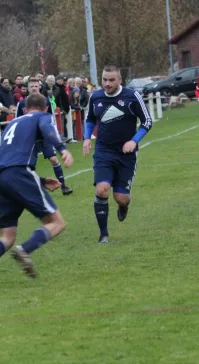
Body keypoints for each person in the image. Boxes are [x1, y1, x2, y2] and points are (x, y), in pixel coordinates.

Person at [0, 94, 74, 291]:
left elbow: (9, 157)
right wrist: (62, 148)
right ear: (44, 109)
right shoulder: (42, 117)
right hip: (19, 172)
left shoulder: (13, 122)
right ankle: (25, 250)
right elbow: (48, 130)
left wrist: (39, 181)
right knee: (57, 222)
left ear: (24, 109)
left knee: (7, 235)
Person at [83, 64, 153, 244]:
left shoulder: (132, 97)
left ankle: (124, 205)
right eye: (104, 79)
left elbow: (146, 121)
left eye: (111, 80)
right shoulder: (96, 97)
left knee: (120, 198)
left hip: (126, 155)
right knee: (102, 189)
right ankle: (103, 235)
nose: (107, 83)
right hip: (104, 151)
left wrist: (134, 141)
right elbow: (90, 119)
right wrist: (87, 138)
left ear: (120, 80)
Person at [16, 79, 73, 195]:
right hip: (29, 138)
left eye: (36, 86)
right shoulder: (22, 103)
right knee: (29, 164)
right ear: (28, 88)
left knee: (53, 159)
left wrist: (55, 135)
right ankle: (31, 190)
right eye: (31, 86)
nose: (34, 88)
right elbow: (17, 120)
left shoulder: (46, 101)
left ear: (39, 87)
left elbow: (51, 119)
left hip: (44, 137)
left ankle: (63, 186)